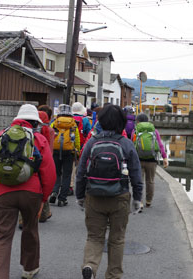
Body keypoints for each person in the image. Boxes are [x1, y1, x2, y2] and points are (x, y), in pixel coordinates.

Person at [0, 104, 56, 279]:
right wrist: (44, 197)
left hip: (2, 193)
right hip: (32, 193)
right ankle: (29, 269)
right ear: (35, 122)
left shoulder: (1, 136)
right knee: (30, 228)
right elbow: (49, 171)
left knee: (3, 235)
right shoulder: (39, 139)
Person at [76, 104, 143, 279]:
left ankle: (90, 266)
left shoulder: (92, 142)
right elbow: (136, 173)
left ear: (101, 121)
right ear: (121, 122)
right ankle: (113, 275)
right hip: (119, 196)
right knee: (117, 239)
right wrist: (137, 198)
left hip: (94, 196)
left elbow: (81, 171)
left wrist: (80, 196)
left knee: (94, 237)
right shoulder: (126, 143)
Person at [133, 113, 168, 211]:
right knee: (150, 181)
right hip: (152, 161)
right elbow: (160, 145)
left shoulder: (135, 131)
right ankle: (148, 201)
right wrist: (164, 157)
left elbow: (132, 145)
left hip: (138, 160)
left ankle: (139, 202)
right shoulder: (154, 131)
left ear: (138, 121)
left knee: (139, 182)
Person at [49, 104, 80, 207]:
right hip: (69, 152)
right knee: (67, 175)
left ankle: (54, 191)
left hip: (56, 151)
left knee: (56, 173)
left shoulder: (54, 123)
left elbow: (50, 137)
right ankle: (62, 199)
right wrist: (78, 152)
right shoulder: (73, 124)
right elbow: (77, 139)